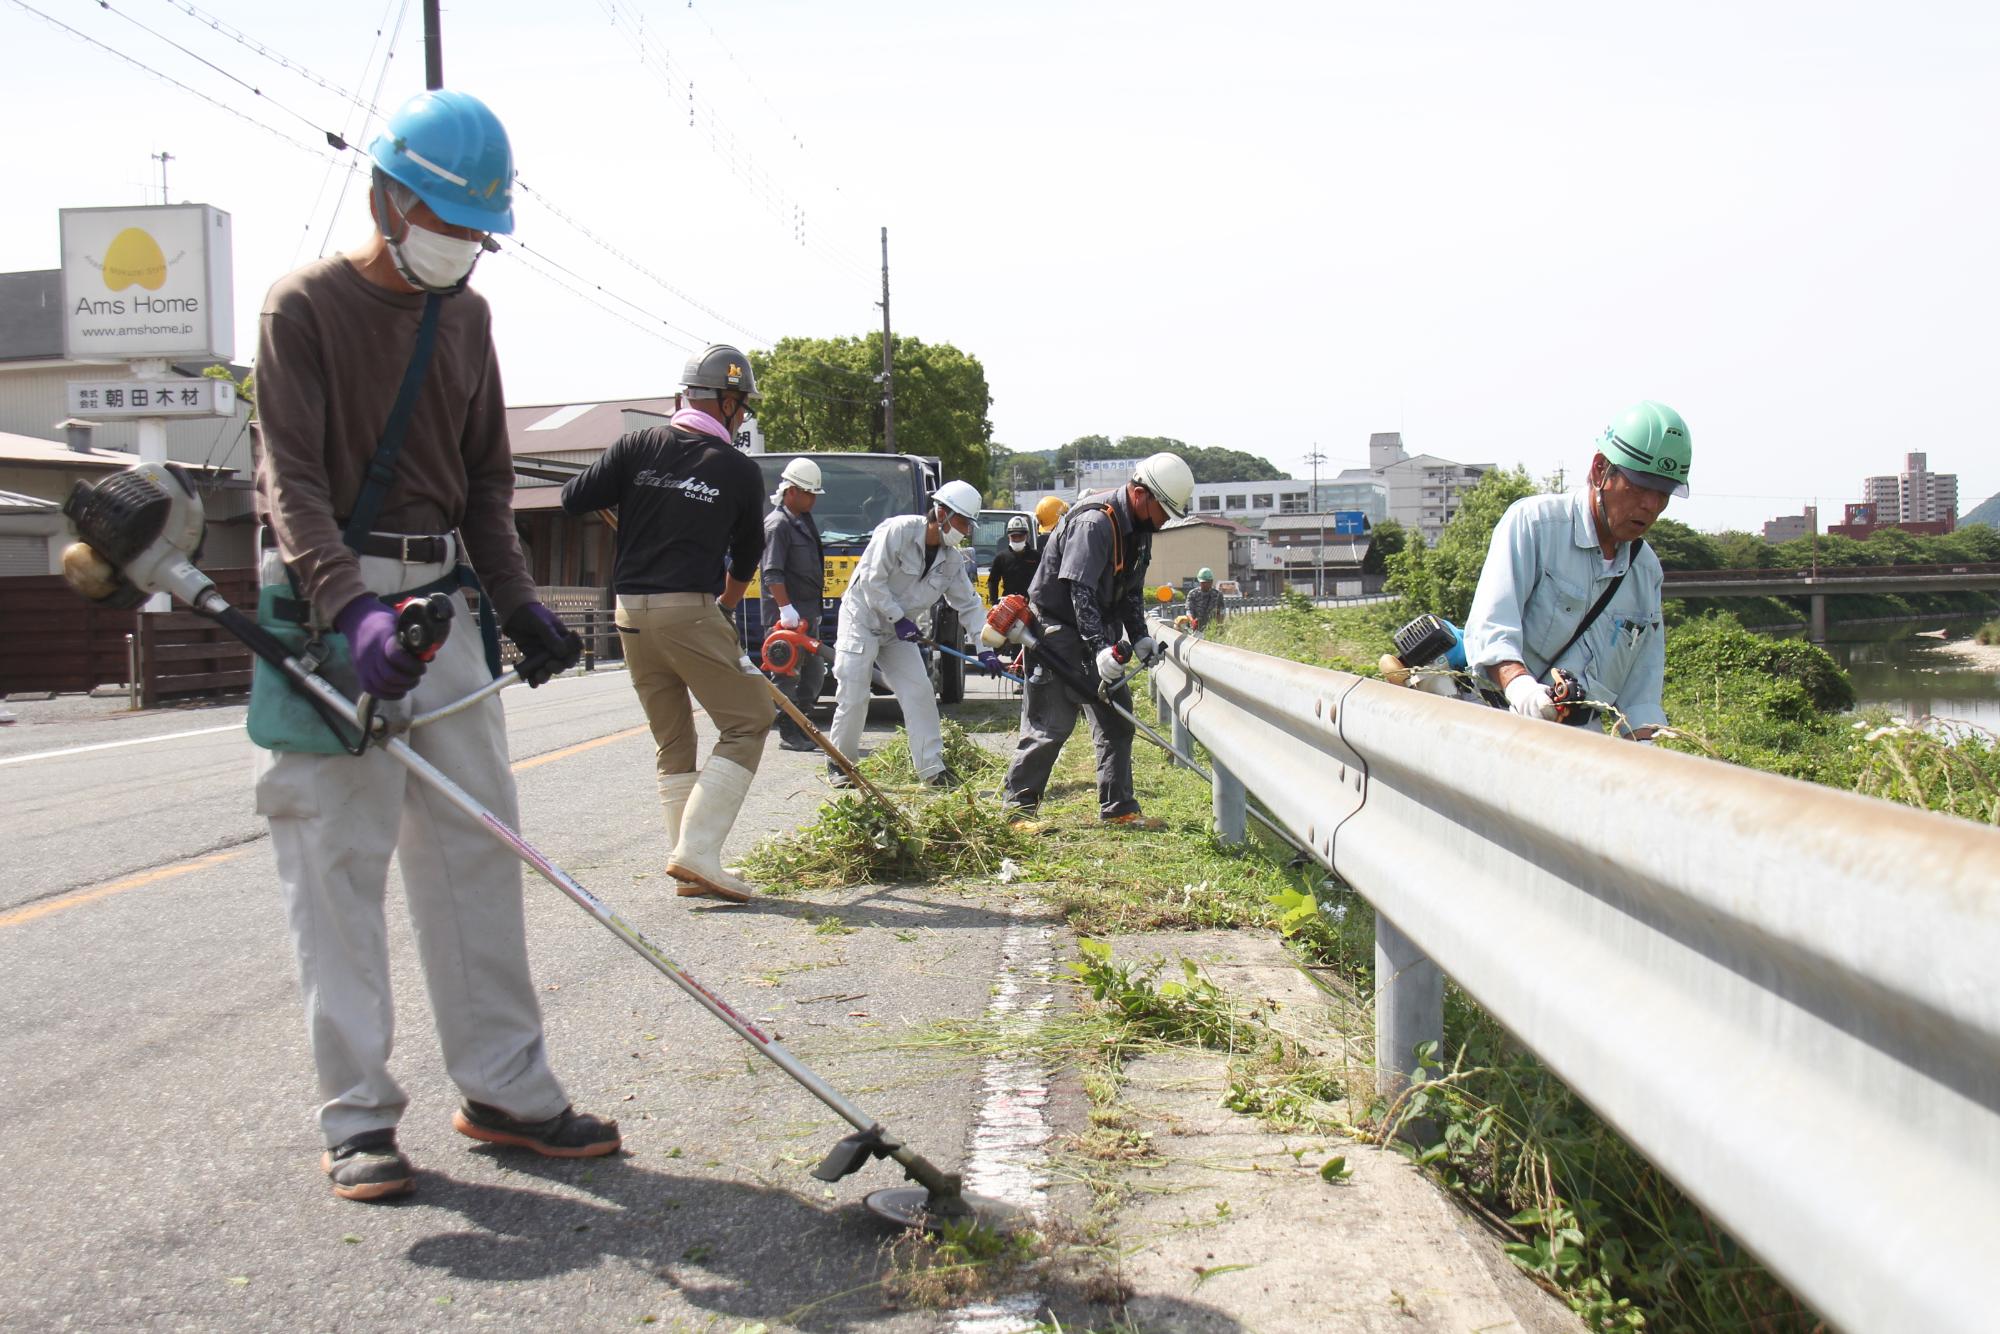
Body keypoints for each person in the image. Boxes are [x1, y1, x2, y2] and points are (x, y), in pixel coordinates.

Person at [251, 88, 613, 1203]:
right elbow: (289, 482)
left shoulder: (467, 318)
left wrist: (518, 604)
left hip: (442, 602)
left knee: (476, 853)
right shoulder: (303, 307)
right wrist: (350, 610)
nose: (463, 245)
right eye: (449, 222)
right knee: (337, 865)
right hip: (330, 617)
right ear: (387, 197)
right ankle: (358, 1116)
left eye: (478, 231)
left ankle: (504, 1088)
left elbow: (487, 483)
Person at [559, 345, 773, 899]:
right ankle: (697, 852)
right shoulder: (738, 470)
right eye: (742, 405)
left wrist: (631, 493)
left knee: (674, 738)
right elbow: (748, 553)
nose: (742, 416)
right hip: (690, 611)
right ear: (727, 402)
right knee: (750, 718)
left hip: (629, 611)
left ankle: (689, 862)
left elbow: (573, 498)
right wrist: (725, 607)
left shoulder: (636, 446)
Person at [1462, 400, 1688, 740]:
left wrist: (1645, 750)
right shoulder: (1535, 526)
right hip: (1503, 726)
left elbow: (1641, 690)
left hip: (1581, 743)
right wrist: (1523, 690)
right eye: (1640, 487)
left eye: (1663, 493)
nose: (1651, 506)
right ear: (1600, 470)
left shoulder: (1645, 570)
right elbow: (1491, 628)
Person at [1002, 452, 1195, 828]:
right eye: (1163, 511)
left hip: (1098, 630)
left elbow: (1131, 589)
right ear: (1141, 494)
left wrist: (1139, 637)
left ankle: (1119, 809)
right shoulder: (1095, 522)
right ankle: (1016, 813)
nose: (1164, 521)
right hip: (1057, 631)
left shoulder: (1140, 530)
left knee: (1117, 720)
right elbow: (1080, 589)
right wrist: (1099, 648)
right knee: (1050, 726)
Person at [827, 479, 998, 787]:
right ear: (942, 513)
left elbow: (970, 605)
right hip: (861, 619)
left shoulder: (952, 560)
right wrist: (897, 617)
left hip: (899, 632)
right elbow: (872, 580)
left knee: (919, 692)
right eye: (963, 522)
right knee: (854, 694)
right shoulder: (897, 531)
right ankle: (841, 763)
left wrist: (986, 649)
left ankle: (932, 770)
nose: (966, 531)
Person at [762, 457, 827, 752]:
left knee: (814, 674)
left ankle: (803, 724)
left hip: (808, 614)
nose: (813, 499)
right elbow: (772, 573)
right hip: (786, 617)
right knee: (787, 673)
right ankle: (789, 731)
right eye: (808, 493)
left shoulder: (802, 520)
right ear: (791, 491)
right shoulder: (778, 525)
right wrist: (785, 609)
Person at [986, 514, 1039, 606]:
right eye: (1014, 536)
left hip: (1031, 604)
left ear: (1026, 535)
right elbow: (993, 581)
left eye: (1020, 536)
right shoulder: (1001, 557)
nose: (1017, 539)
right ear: (1008, 536)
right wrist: (994, 602)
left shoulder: (1036, 556)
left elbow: (1043, 580)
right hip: (1008, 605)